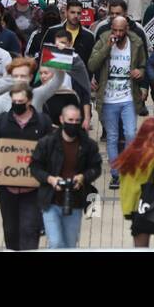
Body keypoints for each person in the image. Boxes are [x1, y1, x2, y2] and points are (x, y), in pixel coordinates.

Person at [0, 80, 53, 250]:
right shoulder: (2, 121)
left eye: (21, 103)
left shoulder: (43, 122)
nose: (17, 105)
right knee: (10, 231)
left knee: (30, 230)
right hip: (8, 190)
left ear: (29, 101)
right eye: (14, 102)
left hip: (33, 190)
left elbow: (53, 151)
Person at [29, 103, 102, 248]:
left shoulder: (88, 145)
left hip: (75, 201)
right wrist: (50, 179)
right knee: (56, 243)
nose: (74, 124)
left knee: (69, 245)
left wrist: (83, 177)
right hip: (50, 200)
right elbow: (35, 167)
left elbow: (96, 168)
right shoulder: (47, 143)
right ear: (61, 119)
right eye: (70, 120)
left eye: (77, 121)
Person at [88, 15, 147, 189]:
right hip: (108, 98)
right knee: (112, 137)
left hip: (128, 97)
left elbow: (144, 64)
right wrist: (107, 47)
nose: (118, 34)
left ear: (127, 29)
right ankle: (116, 174)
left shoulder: (135, 42)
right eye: (115, 30)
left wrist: (140, 72)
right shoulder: (103, 40)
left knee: (130, 133)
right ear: (111, 28)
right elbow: (92, 64)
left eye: (122, 30)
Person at [115, 116, 154, 248]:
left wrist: (129, 209)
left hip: (137, 209)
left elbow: (125, 184)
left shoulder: (130, 152)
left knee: (140, 249)